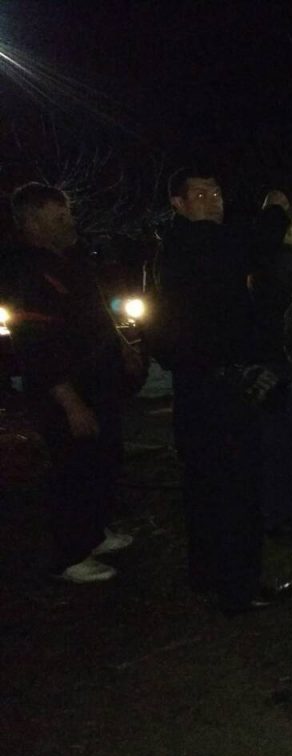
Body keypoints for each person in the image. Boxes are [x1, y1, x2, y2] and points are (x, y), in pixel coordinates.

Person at [151, 167, 292, 614]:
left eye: (216, 190)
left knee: (206, 485)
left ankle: (208, 574)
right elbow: (254, 243)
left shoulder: (179, 248)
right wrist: (276, 211)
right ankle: (239, 588)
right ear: (178, 203)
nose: (214, 198)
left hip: (199, 388)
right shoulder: (197, 244)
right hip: (221, 390)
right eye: (200, 193)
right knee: (236, 487)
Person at [5, 183, 143, 583]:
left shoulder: (72, 260)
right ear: (32, 222)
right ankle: (69, 554)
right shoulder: (25, 271)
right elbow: (35, 346)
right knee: (73, 469)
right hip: (64, 393)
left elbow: (98, 311)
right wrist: (70, 402)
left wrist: (123, 347)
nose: (70, 222)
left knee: (103, 459)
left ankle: (93, 533)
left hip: (99, 381)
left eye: (67, 213)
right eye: (59, 217)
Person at [249, 197, 292, 538]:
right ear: (281, 233)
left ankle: (289, 505)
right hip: (273, 367)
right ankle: (274, 516)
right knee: (276, 443)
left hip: (288, 365)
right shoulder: (266, 272)